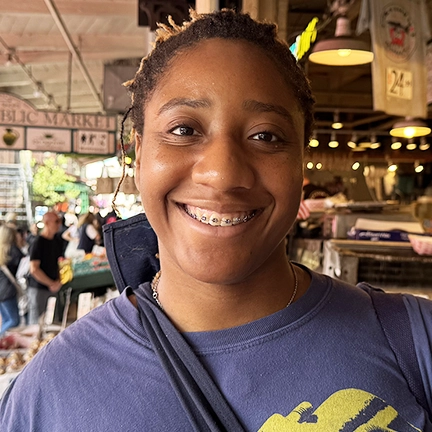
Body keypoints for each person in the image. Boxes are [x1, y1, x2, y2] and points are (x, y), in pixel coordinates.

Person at [1, 9, 431, 431]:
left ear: (302, 160)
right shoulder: (47, 393)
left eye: (266, 136)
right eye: (184, 130)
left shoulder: (415, 342)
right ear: (138, 155)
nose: (223, 174)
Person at [26, 211, 64, 325]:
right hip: (39, 288)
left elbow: (58, 262)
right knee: (37, 323)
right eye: (56, 221)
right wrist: (51, 283)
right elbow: (34, 269)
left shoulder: (57, 240)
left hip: (52, 286)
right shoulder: (38, 242)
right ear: (46, 223)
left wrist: (58, 281)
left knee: (53, 321)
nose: (59, 224)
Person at [0, 225, 24, 335]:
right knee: (14, 321)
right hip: (8, 289)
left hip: (1, 289)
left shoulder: (1, 250)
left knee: (6, 319)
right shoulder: (13, 250)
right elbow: (24, 262)